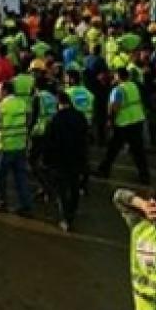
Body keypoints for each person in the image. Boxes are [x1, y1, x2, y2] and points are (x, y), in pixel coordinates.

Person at [44, 90, 89, 232]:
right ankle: (72, 211)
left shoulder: (55, 119)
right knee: (74, 186)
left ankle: (65, 217)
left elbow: (49, 142)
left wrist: (47, 160)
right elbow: (85, 137)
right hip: (77, 157)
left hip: (60, 159)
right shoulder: (80, 116)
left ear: (58, 104)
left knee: (62, 190)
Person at [98, 67, 151, 185]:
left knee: (113, 149)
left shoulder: (118, 90)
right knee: (138, 150)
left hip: (123, 123)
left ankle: (104, 169)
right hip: (137, 119)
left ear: (118, 76)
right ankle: (144, 175)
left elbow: (114, 107)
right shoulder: (134, 86)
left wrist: (110, 120)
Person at [0, 79, 31, 213]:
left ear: (5, 91)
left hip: (4, 146)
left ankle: (1, 202)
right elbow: (28, 120)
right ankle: (26, 204)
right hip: (20, 145)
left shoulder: (2, 106)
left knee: (0, 177)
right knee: (20, 177)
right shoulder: (22, 103)